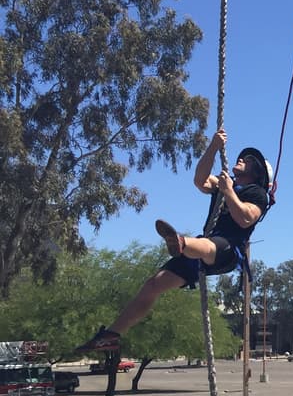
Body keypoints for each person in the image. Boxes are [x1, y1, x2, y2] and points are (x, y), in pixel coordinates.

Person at [74, 129, 273, 353]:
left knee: (206, 246)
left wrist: (228, 192)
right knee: (154, 284)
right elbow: (199, 180)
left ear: (257, 173)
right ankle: (112, 335)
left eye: (248, 161)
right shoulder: (224, 184)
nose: (241, 159)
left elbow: (245, 218)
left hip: (228, 250)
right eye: (242, 157)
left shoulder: (257, 194)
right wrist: (213, 146)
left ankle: (181, 243)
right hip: (201, 249)